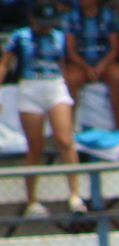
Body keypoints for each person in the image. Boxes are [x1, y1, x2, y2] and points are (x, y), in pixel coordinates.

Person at [0, 2, 86, 216]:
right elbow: (5, 64)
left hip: (54, 84)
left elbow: (64, 64)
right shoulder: (20, 37)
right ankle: (32, 200)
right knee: (35, 146)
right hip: (30, 86)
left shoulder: (59, 37)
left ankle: (75, 194)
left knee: (65, 139)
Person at [63, 0, 119, 130]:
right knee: (71, 79)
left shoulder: (109, 16)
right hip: (80, 63)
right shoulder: (71, 17)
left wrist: (101, 66)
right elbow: (70, 50)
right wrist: (87, 68)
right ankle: (69, 128)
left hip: (104, 62)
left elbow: (115, 48)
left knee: (118, 75)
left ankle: (118, 126)